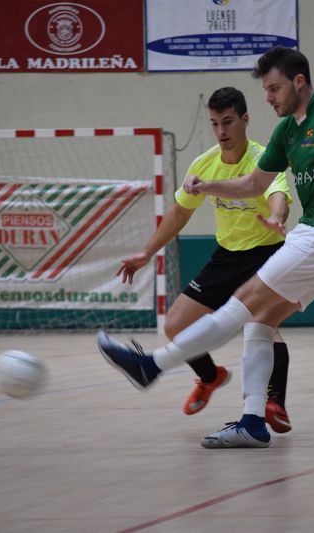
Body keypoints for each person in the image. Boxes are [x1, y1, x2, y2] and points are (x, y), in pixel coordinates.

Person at [97, 46, 314, 448]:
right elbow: (253, 183)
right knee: (261, 321)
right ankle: (253, 422)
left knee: (241, 305)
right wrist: (207, 186)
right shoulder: (287, 131)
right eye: (265, 90)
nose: (268, 97)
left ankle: (152, 366)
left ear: (298, 82)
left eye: (274, 88)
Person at [114, 87, 293, 432]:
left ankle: (275, 402)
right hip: (226, 256)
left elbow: (278, 195)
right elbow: (180, 213)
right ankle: (210, 377)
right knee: (175, 325)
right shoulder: (204, 164)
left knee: (264, 326)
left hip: (266, 252)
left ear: (245, 119)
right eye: (214, 123)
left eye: (228, 121)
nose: (221, 131)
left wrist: (276, 216)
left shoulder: (264, 158)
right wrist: (147, 252)